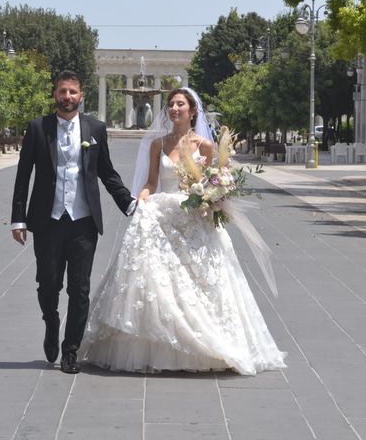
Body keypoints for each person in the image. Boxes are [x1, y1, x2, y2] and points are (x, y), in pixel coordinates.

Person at [77, 87, 286, 375]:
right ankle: (159, 340)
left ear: (192, 111)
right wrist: (144, 196)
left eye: (180, 105)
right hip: (163, 213)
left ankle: (207, 341)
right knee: (156, 276)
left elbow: (216, 181)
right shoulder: (158, 144)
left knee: (198, 281)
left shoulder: (205, 146)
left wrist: (212, 196)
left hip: (193, 215)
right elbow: (151, 181)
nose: (174, 109)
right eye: (171, 105)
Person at [11, 70, 135, 374]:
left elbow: (107, 172)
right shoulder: (38, 128)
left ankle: (70, 351)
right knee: (48, 285)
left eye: (72, 92)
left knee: (80, 289)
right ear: (55, 94)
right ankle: (51, 323)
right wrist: (18, 219)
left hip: (83, 222)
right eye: (62, 91)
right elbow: (23, 175)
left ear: (81, 96)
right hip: (47, 221)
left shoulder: (95, 129)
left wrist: (129, 203)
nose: (67, 97)